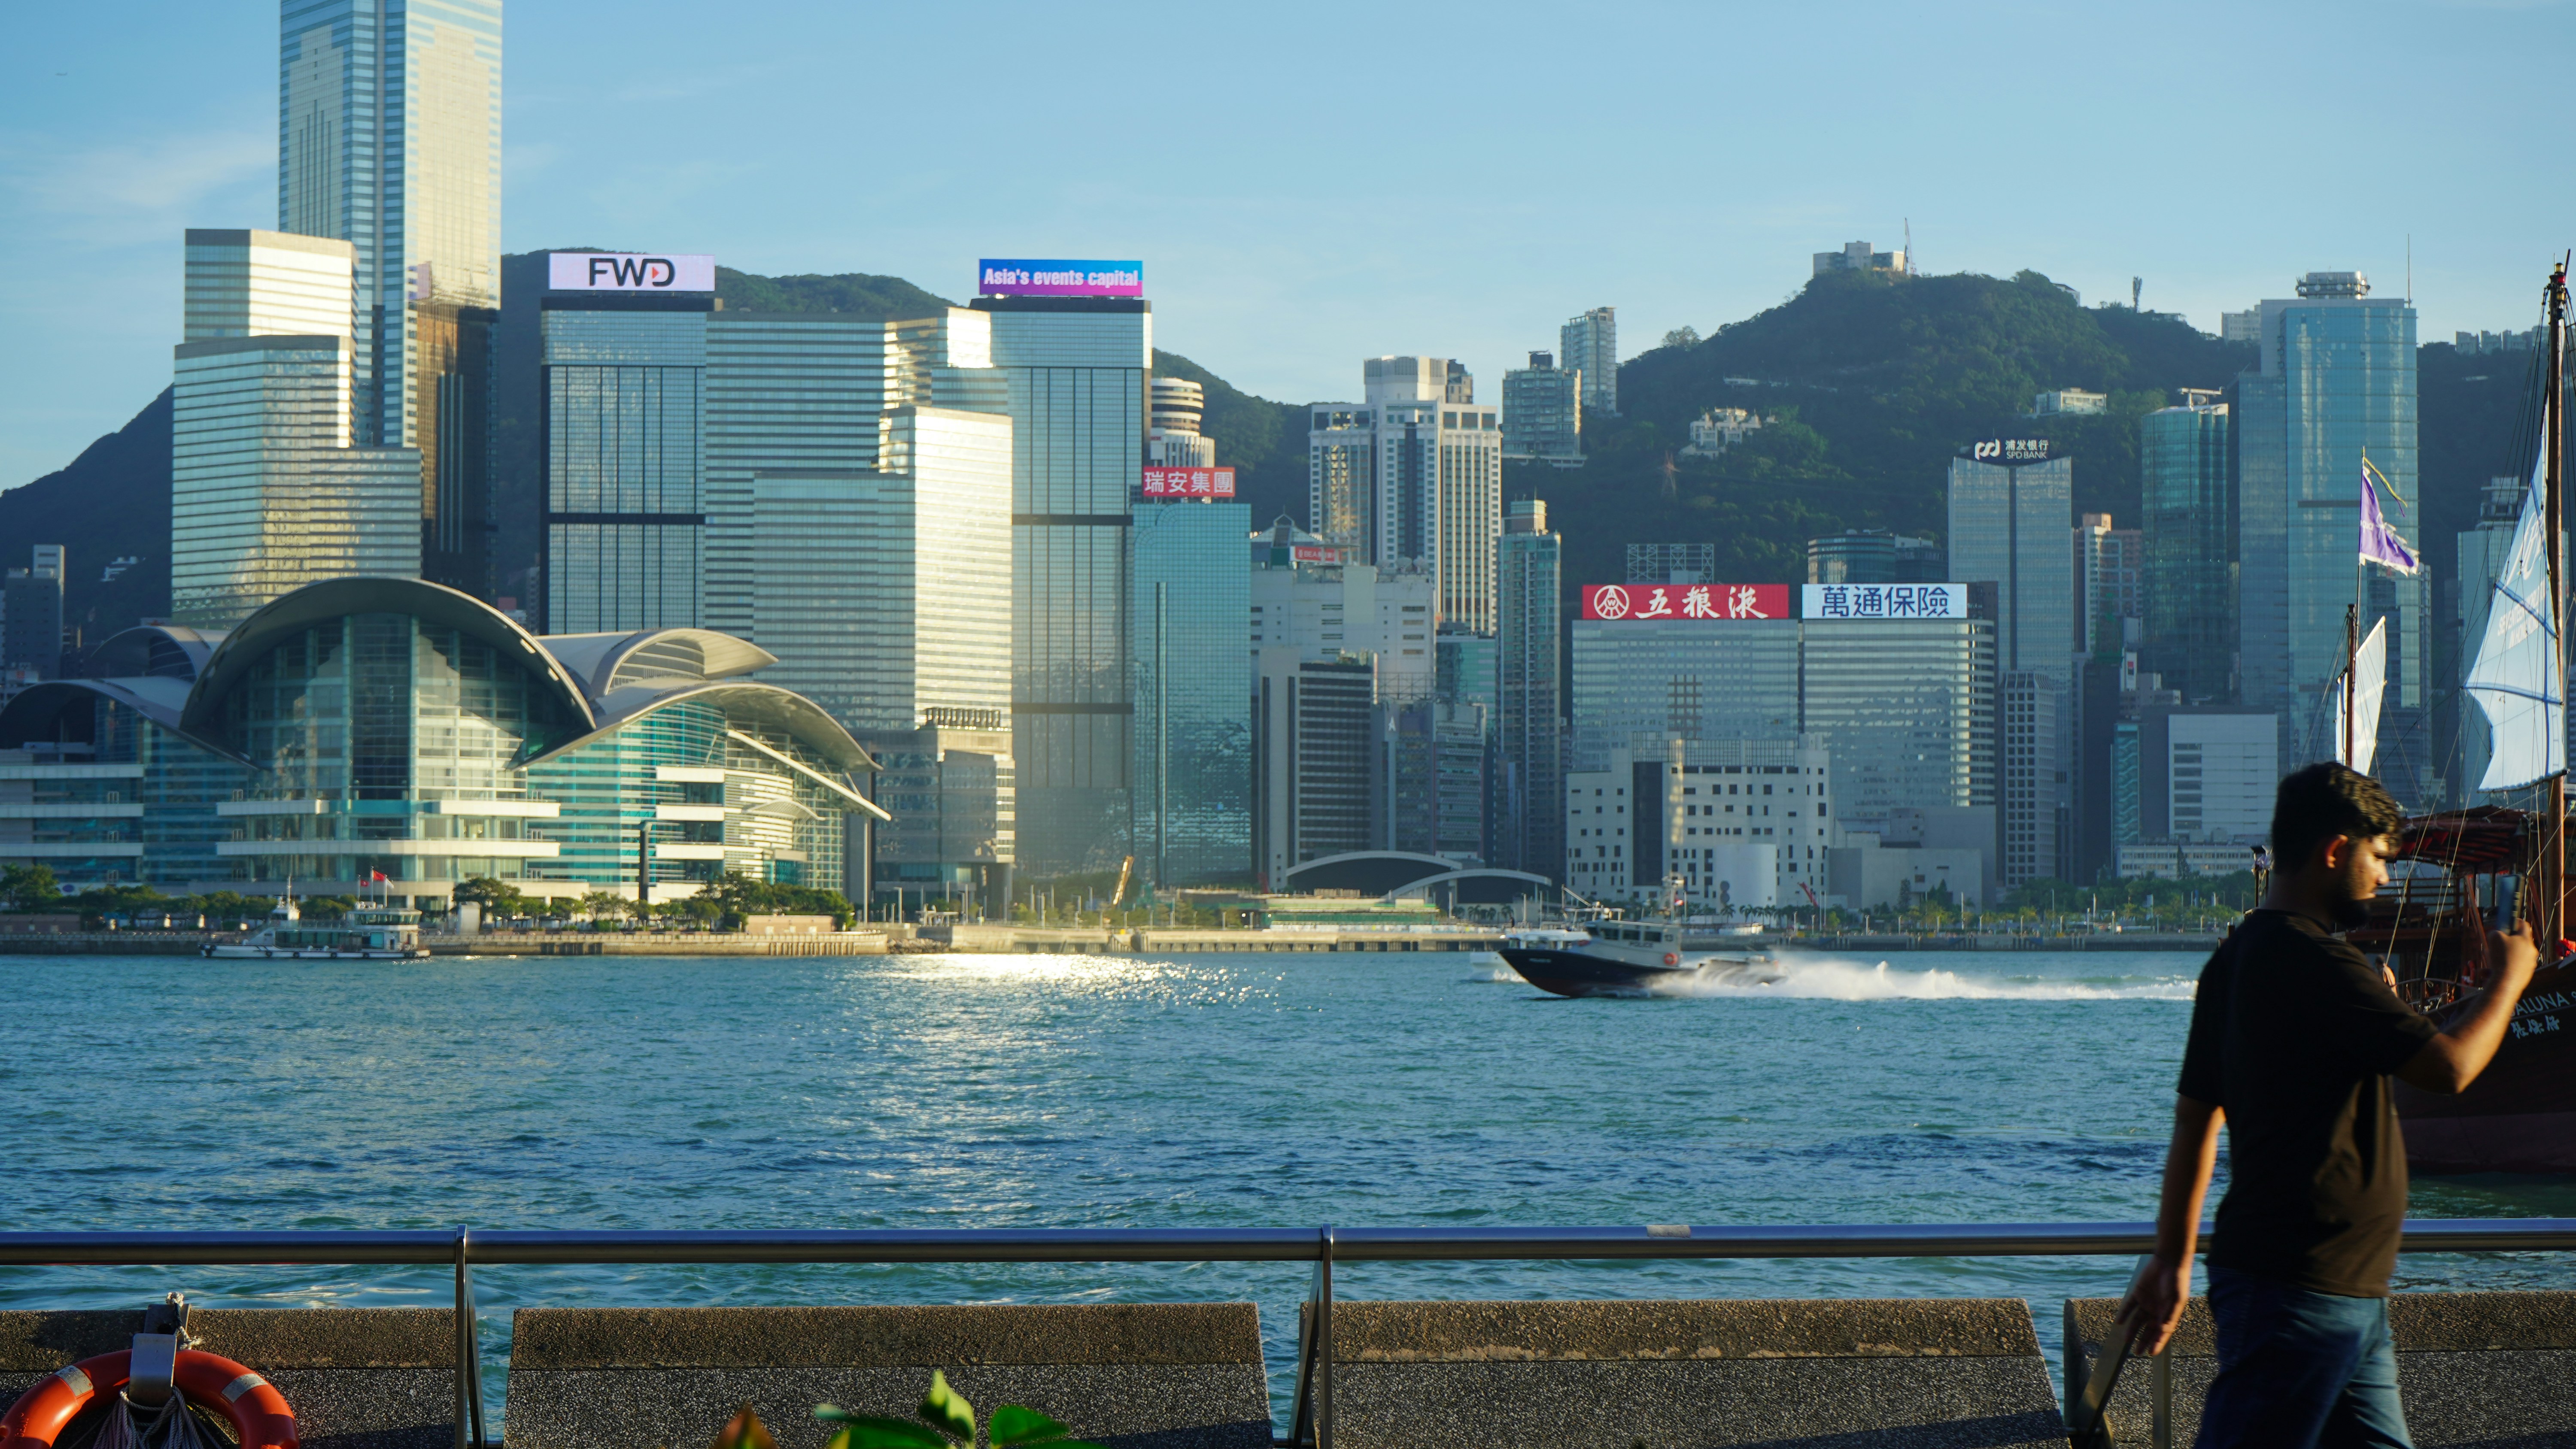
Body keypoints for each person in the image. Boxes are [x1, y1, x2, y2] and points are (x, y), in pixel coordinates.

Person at [2117, 762, 2539, 1448]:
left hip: (2342, 1291)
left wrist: (2172, 1258)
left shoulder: (2234, 960)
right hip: (2297, 1289)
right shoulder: (2318, 962)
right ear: (2336, 851)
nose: (2386, 879)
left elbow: (2195, 1123)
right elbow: (2449, 1068)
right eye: (2379, 858)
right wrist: (2507, 984)